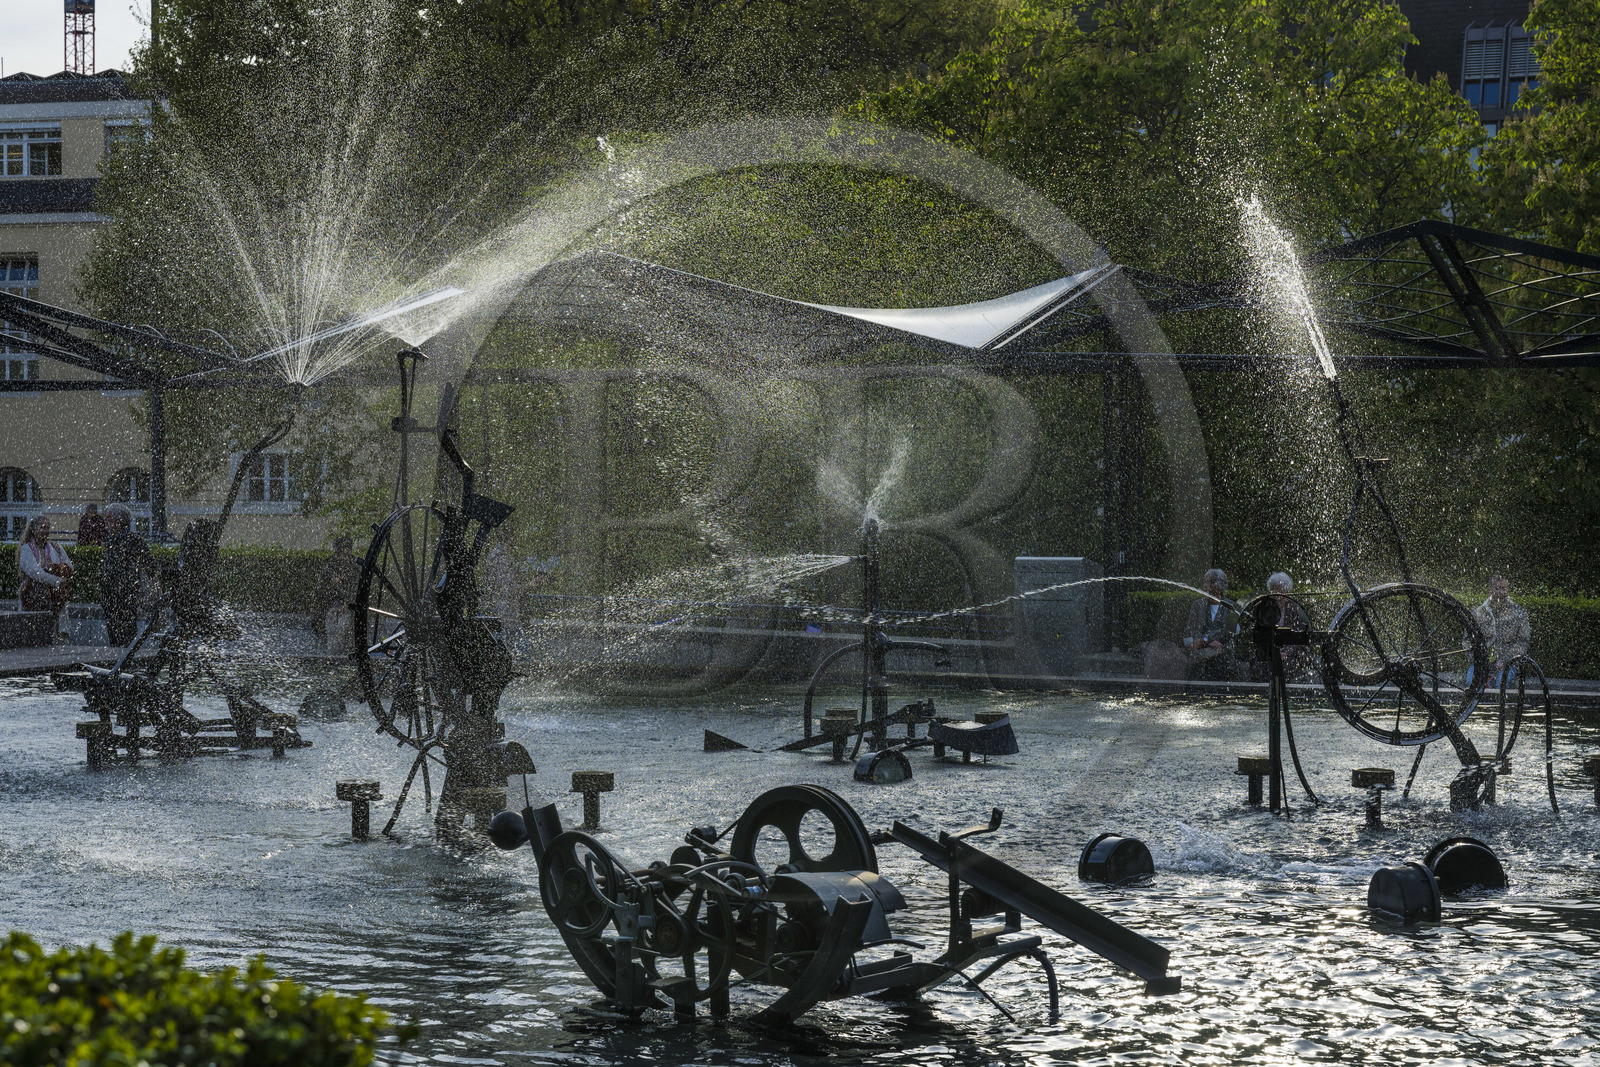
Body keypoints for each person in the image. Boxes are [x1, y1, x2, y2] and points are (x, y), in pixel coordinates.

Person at [100, 503, 154, 647]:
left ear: (119, 521)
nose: (107, 522)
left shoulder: (134, 541)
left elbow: (150, 566)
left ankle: (126, 663)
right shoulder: (111, 541)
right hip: (110, 597)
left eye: (109, 518)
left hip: (126, 596)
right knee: (114, 635)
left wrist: (141, 590)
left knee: (127, 634)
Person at [18, 515, 74, 641]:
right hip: (33, 596)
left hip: (55, 598)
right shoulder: (26, 549)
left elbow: (70, 567)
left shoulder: (56, 547)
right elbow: (34, 572)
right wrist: (58, 581)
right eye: (42, 527)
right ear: (33, 529)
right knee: (33, 632)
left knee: (55, 631)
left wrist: (58, 569)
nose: (46, 530)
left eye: (48, 527)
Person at [1471, 574, 1530, 690]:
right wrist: (1479, 659)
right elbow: (1468, 641)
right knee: (1471, 686)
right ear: (1489, 590)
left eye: (1504, 588)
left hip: (1509, 664)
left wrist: (1506, 660)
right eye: (1497, 588)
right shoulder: (1478, 613)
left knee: (1501, 685)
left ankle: (1501, 707)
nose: (1501, 592)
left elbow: (1523, 642)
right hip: (1481, 664)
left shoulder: (1519, 613)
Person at [1183, 568, 1240, 681]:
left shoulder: (1233, 607)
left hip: (1223, 652)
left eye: (1212, 582)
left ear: (1221, 585)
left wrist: (1206, 640)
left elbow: (1230, 631)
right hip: (1200, 652)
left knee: (1217, 660)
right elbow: (1189, 632)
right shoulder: (1197, 605)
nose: (1207, 585)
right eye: (1205, 581)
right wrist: (1200, 642)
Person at [1264, 571, 1314, 680]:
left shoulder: (1295, 609)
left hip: (1291, 649)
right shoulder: (1266, 608)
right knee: (1261, 665)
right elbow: (1263, 633)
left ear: (1286, 591)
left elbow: (1299, 636)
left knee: (1286, 665)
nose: (1276, 593)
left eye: (1279, 589)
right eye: (1273, 589)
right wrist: (1273, 651)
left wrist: (1285, 652)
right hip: (1271, 648)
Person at [317, 535, 362, 655]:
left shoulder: (356, 566)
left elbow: (359, 589)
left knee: (343, 624)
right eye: (340, 551)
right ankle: (333, 652)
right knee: (331, 622)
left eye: (345, 550)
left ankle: (339, 651)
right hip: (332, 605)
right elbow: (321, 591)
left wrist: (347, 605)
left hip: (352, 606)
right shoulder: (330, 565)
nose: (343, 554)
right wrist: (331, 585)